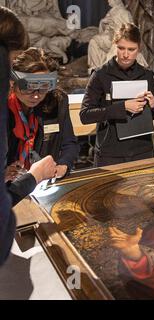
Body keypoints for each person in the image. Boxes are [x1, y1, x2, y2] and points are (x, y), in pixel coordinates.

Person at [0, 6, 55, 265]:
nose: (35, 96)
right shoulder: (7, 112)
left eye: (42, 89)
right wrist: (35, 175)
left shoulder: (46, 106)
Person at [81, 23, 154, 167]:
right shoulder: (100, 75)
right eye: (121, 48)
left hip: (142, 151)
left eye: (131, 49)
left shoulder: (146, 75)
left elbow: (153, 115)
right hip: (110, 153)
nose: (125, 54)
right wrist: (122, 107)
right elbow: (85, 115)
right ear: (114, 45)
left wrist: (153, 106)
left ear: (139, 49)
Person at [6, 48, 79, 187]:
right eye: (28, 88)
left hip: (43, 184)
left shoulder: (58, 101)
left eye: (43, 88)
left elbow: (69, 143)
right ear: (12, 83)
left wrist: (63, 166)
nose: (36, 95)